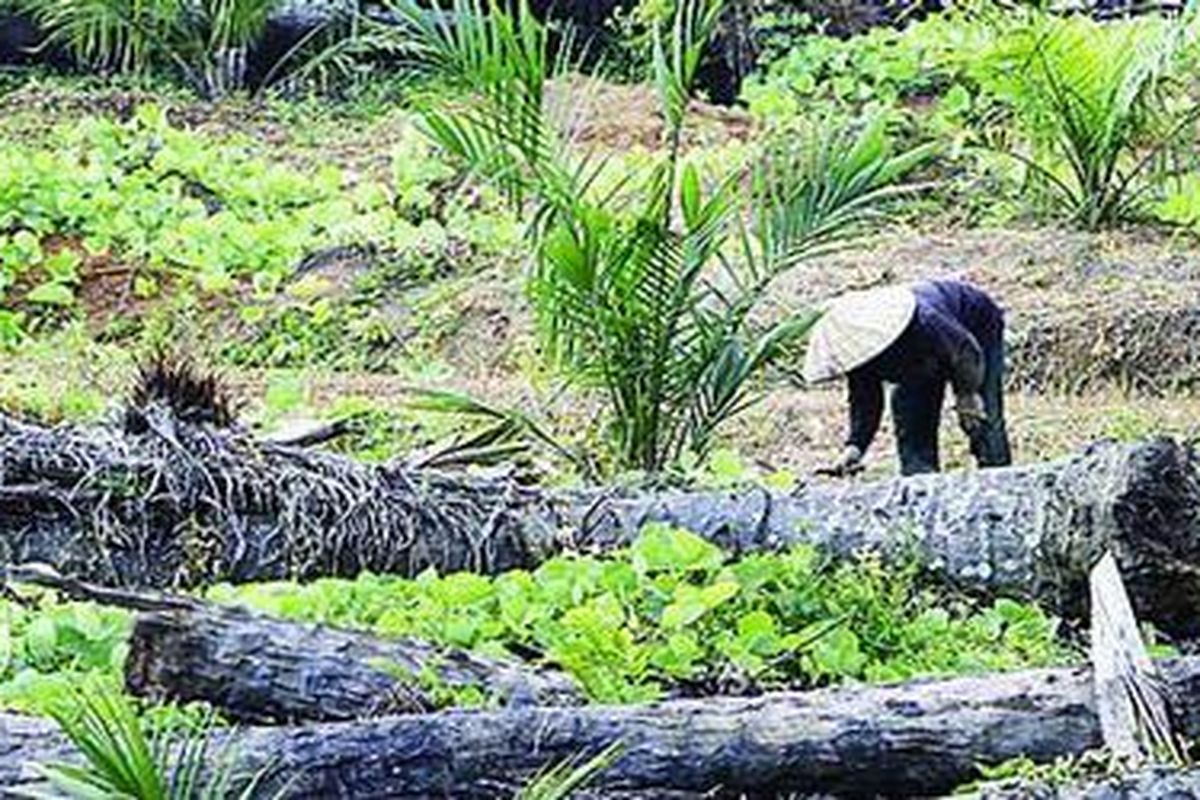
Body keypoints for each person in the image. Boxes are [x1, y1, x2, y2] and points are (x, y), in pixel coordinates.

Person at [803, 279, 1012, 477]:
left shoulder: (926, 319)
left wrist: (967, 395)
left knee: (984, 416)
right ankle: (921, 485)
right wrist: (855, 447)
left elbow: (966, 351)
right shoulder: (859, 352)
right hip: (921, 363)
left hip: (973, 329)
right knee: (909, 420)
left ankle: (997, 475)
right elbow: (865, 400)